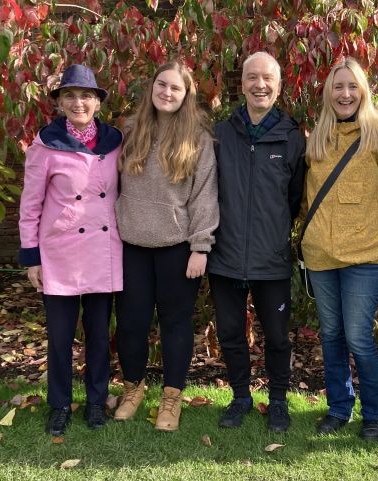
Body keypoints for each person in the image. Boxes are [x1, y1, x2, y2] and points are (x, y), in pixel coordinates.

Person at [302, 57, 378, 441]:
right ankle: (338, 408)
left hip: (365, 256)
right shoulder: (316, 137)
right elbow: (306, 200)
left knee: (359, 338)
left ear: (363, 91)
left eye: (352, 86)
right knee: (331, 335)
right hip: (320, 255)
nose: (345, 93)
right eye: (338, 86)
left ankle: (376, 414)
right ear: (328, 94)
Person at [113, 61, 219, 432]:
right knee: (130, 324)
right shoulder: (129, 130)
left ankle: (171, 398)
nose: (167, 93)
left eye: (176, 88)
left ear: (186, 94)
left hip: (177, 247)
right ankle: (132, 388)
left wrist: (200, 247)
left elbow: (205, 195)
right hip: (132, 245)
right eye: (162, 85)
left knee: (175, 326)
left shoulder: (199, 138)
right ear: (152, 87)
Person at [18, 64, 123, 436]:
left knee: (98, 335)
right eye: (70, 96)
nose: (78, 102)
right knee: (60, 338)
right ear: (60, 102)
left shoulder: (115, 142)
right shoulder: (45, 144)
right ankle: (59, 404)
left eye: (86, 96)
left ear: (97, 102)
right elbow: (30, 205)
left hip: (103, 250)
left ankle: (96, 401)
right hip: (59, 253)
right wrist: (31, 257)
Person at [207, 51, 306, 433]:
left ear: (278, 86)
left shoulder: (291, 137)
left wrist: (272, 231)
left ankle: (278, 400)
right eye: (252, 77)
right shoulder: (222, 133)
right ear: (242, 83)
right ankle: (241, 398)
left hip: (271, 258)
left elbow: (295, 198)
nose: (259, 85)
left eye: (267, 78)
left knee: (278, 337)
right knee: (231, 334)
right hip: (225, 256)